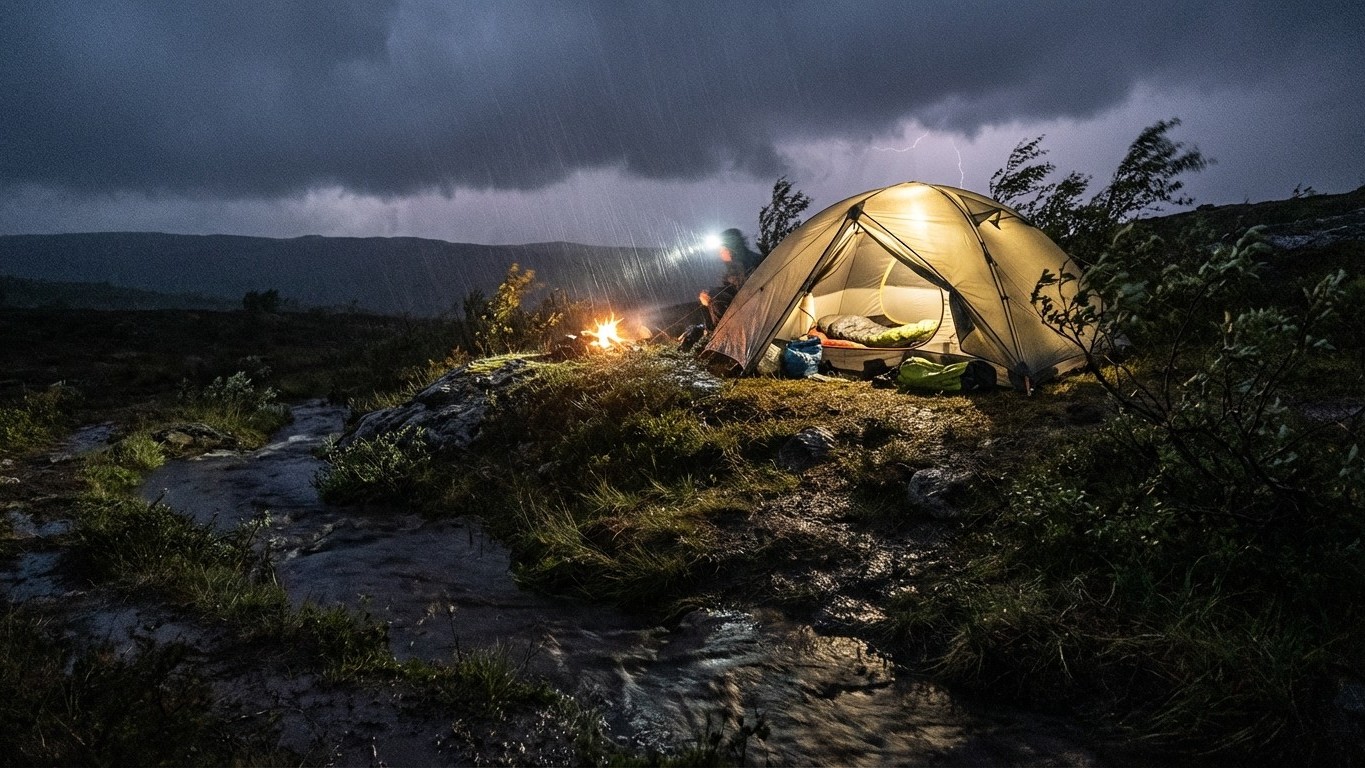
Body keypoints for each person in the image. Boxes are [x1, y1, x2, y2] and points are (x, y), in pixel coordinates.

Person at [699, 228, 761, 330]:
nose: (720, 253)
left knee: (714, 295)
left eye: (721, 250)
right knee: (710, 294)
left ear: (730, 249)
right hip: (747, 307)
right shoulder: (735, 266)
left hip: (754, 311)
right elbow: (731, 288)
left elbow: (746, 292)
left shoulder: (749, 264)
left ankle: (722, 334)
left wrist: (714, 295)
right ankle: (715, 332)